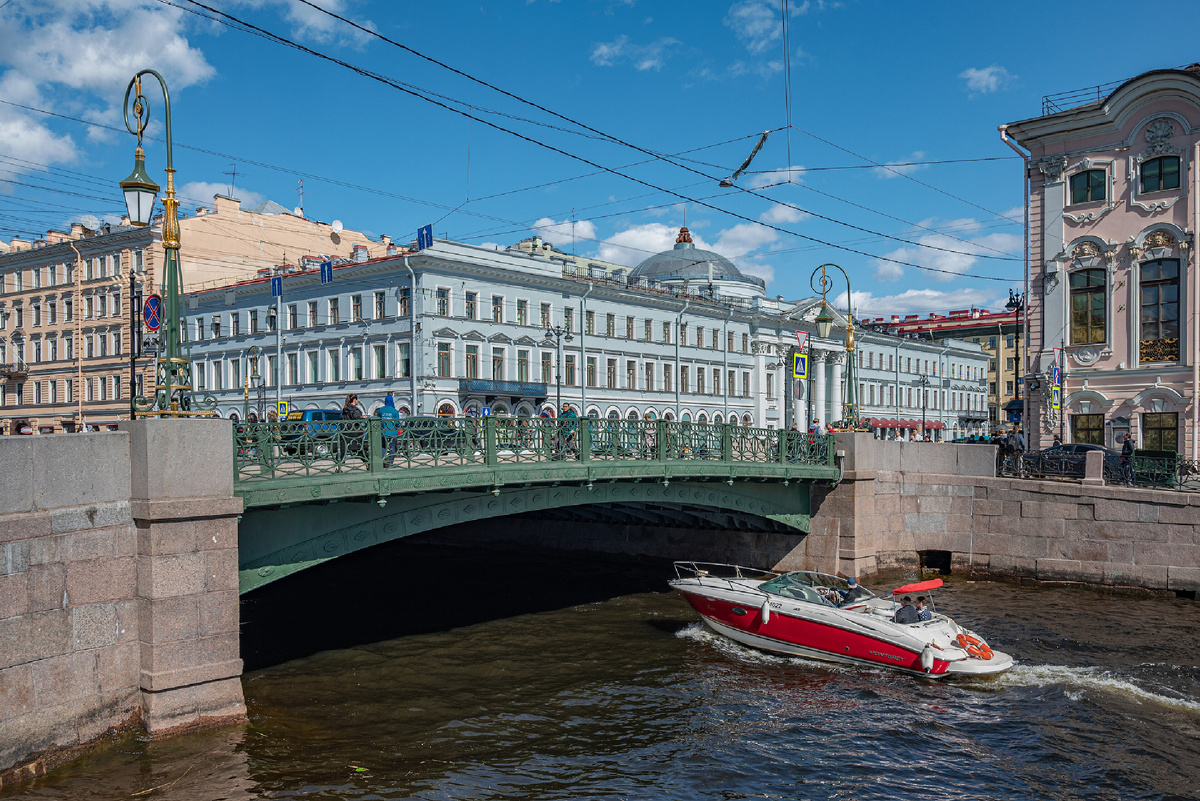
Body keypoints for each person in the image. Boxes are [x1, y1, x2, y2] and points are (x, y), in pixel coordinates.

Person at [377, 394, 401, 464]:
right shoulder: (394, 411)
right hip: (392, 432)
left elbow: (378, 420)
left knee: (383, 446)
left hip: (383, 432)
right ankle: (390, 461)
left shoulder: (381, 410)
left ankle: (383, 460)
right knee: (392, 446)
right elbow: (397, 423)